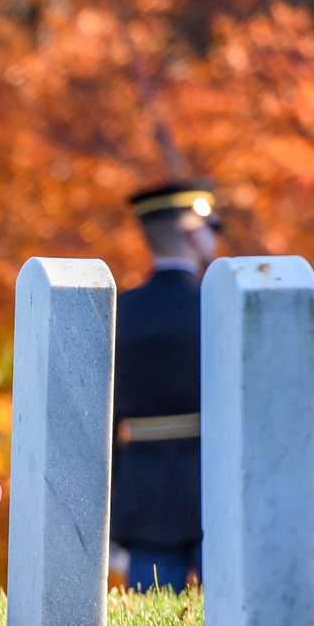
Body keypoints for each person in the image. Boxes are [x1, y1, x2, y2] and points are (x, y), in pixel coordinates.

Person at [111, 181, 219, 591]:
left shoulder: (122, 309)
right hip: (214, 480)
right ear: (194, 233)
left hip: (144, 486)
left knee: (150, 624)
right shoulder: (218, 303)